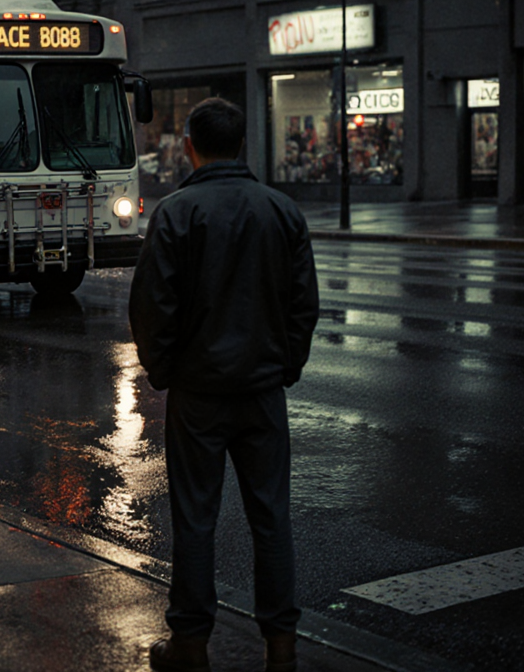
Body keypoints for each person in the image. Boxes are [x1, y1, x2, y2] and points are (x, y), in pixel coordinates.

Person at [129, 97, 319, 672]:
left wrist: (165, 372)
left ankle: (190, 644)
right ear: (242, 146)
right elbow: (302, 305)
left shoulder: (176, 212)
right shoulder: (282, 210)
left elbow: (152, 308)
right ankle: (280, 647)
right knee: (271, 517)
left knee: (194, 517)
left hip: (198, 394)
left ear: (190, 146)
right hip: (262, 392)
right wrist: (284, 367)